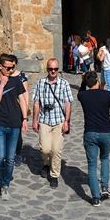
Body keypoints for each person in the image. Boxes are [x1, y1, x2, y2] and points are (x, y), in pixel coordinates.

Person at [0, 53, 29, 202]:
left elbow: (22, 100)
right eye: (8, 68)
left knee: (10, 159)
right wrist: (2, 85)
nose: (11, 71)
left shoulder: (16, 81)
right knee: (0, 156)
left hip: (15, 123)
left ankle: (5, 185)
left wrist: (24, 119)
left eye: (13, 68)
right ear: (0, 67)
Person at [77, 71, 110, 206]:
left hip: (90, 133)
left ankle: (95, 197)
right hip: (106, 133)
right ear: (97, 81)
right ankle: (104, 187)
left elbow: (81, 90)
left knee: (92, 165)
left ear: (86, 82)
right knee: (105, 159)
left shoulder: (83, 96)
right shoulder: (107, 95)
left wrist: (84, 80)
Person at [32, 58, 73, 189]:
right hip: (44, 120)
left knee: (56, 150)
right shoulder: (40, 83)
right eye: (50, 69)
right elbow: (37, 102)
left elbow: (68, 103)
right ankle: (46, 163)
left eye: (55, 69)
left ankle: (54, 175)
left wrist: (67, 121)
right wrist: (34, 120)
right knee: (45, 149)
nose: (53, 71)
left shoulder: (64, 84)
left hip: (59, 121)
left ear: (58, 69)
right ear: (47, 69)